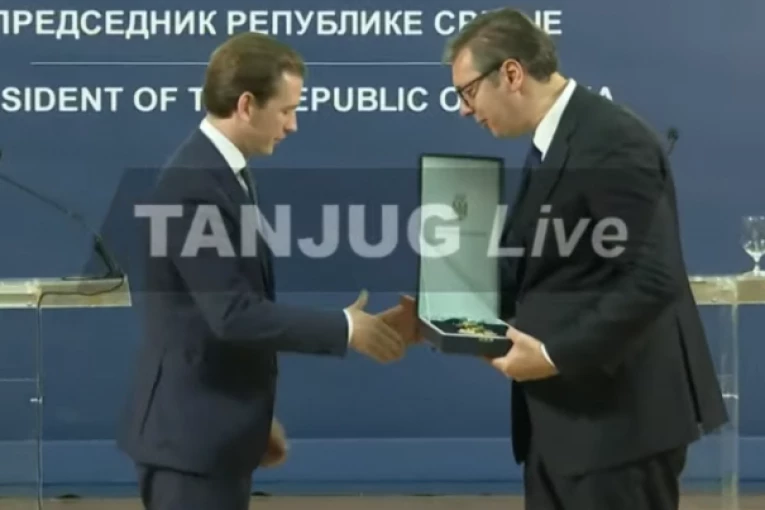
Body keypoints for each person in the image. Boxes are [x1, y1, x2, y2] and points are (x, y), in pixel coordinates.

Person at [442, 8, 728, 510]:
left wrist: (554, 356)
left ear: (511, 74)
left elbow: (652, 278)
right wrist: (445, 311)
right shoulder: (554, 140)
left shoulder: (611, 139)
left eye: (467, 92)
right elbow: (542, 268)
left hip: (619, 432)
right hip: (563, 429)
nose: (465, 110)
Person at [116, 32, 411, 510]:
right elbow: (232, 313)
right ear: (247, 105)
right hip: (189, 446)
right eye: (286, 110)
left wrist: (251, 420)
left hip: (214, 433)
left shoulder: (224, 173)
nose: (293, 125)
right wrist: (345, 328)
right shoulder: (193, 185)